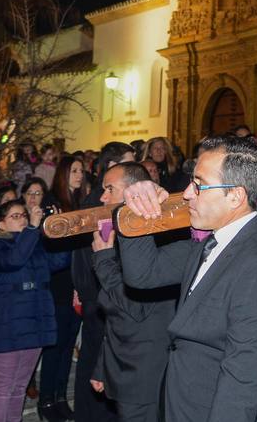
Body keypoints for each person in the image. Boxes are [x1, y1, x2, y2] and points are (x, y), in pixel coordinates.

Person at [119, 135, 257, 422]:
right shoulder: (210, 242)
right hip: (184, 403)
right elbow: (142, 274)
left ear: (235, 195)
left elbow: (243, 378)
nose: (187, 193)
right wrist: (138, 204)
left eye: (199, 185)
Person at [88, 163, 177, 422]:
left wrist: (103, 261)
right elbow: (114, 318)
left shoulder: (155, 236)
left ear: (132, 192)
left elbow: (134, 306)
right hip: (124, 366)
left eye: (109, 189)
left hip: (145, 374)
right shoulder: (123, 232)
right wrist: (102, 367)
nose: (103, 197)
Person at [0, 198, 69, 422]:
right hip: (8, 321)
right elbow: (14, 260)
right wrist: (32, 228)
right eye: (16, 216)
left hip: (36, 318)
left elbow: (59, 261)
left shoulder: (34, 242)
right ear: (1, 224)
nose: (22, 219)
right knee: (3, 387)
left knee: (20, 386)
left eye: (24, 215)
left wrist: (59, 229)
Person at [70, 142, 134, 422]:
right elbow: (86, 255)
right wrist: (89, 292)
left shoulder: (117, 201)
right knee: (96, 357)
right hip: (99, 292)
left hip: (104, 289)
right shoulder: (98, 204)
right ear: (111, 168)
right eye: (130, 163)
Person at [39, 156, 88, 422]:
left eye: (82, 171)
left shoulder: (80, 203)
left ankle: (59, 396)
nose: (80, 175)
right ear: (64, 173)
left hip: (75, 282)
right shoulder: (52, 203)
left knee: (68, 345)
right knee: (55, 346)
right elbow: (50, 245)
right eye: (75, 170)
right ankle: (46, 400)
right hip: (57, 284)